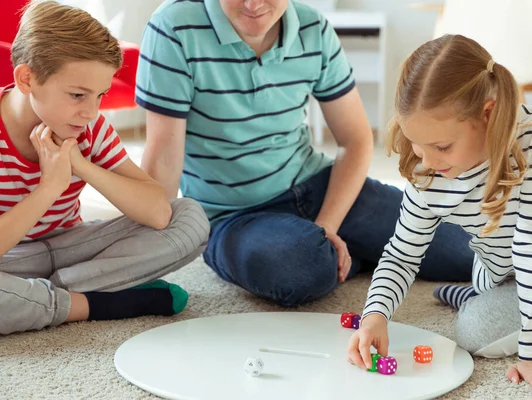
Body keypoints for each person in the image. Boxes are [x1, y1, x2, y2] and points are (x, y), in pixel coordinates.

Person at [136, 0, 474, 307]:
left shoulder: (313, 28)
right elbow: (163, 156)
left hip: (319, 187)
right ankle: (346, 251)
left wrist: (327, 226)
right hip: (232, 217)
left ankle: (333, 246)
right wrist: (148, 257)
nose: (253, 4)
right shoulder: (174, 26)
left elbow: (355, 139)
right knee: (298, 268)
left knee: (467, 251)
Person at [347, 34, 532, 396]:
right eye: (418, 146)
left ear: (488, 113)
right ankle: (474, 296)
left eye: (442, 147)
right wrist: (374, 317)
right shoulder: (427, 167)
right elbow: (402, 253)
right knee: (483, 292)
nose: (428, 162)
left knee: (474, 333)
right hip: (497, 270)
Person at [0, 1, 210, 335]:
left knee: (190, 218)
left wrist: (82, 166)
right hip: (9, 260)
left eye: (100, 95)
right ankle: (96, 304)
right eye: (77, 95)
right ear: (26, 78)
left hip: (73, 252)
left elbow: (158, 213)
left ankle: (44, 296)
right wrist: (49, 189)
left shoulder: (89, 127)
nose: (90, 111)